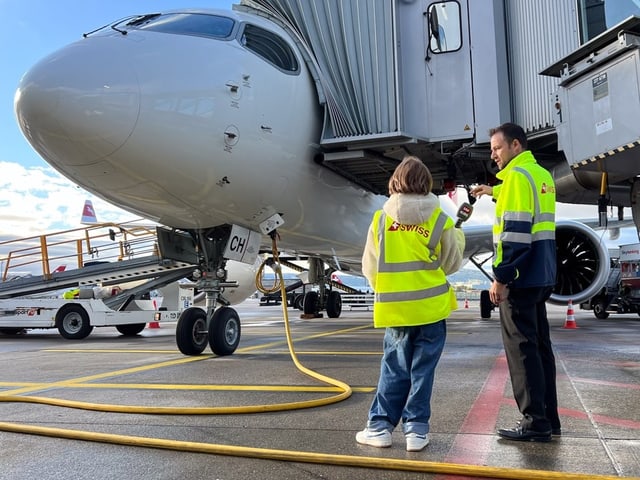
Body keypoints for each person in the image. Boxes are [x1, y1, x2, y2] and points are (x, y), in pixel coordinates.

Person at [357, 155, 465, 452]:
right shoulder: (440, 219)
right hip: (431, 310)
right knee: (423, 372)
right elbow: (451, 264)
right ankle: (416, 431)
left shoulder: (381, 219)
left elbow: (370, 267)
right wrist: (458, 235)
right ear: (426, 183)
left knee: (394, 369)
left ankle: (379, 427)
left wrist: (390, 290)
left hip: (396, 311)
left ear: (396, 182)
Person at [470, 122, 561, 442]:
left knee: (522, 351)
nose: (492, 154)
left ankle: (534, 422)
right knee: (540, 348)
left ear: (516, 146)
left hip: (520, 278)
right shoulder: (540, 175)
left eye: (497, 148)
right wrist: (492, 191)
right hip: (541, 274)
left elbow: (516, 233)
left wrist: (501, 277)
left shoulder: (516, 179)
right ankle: (549, 417)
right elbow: (530, 210)